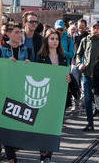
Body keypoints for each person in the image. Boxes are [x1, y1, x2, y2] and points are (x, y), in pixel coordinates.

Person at [0, 21, 32, 163]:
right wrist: (4, 63)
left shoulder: (27, 50)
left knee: (18, 123)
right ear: (8, 34)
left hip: (21, 91)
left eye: (20, 32)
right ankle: (11, 158)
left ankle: (12, 148)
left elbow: (36, 69)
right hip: (4, 91)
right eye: (16, 32)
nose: (19, 34)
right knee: (7, 124)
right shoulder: (0, 50)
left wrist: (30, 64)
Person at [36, 28, 71, 163]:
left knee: (53, 127)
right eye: (52, 38)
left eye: (57, 39)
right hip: (44, 95)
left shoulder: (62, 57)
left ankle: (48, 155)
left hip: (57, 97)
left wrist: (69, 78)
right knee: (42, 126)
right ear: (46, 40)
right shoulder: (40, 56)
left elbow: (65, 76)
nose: (55, 41)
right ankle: (42, 154)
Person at [75, 21, 99, 131]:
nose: (96, 29)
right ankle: (90, 123)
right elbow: (78, 55)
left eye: (98, 28)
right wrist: (79, 64)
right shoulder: (85, 40)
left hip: (98, 76)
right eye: (94, 27)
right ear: (90, 28)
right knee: (88, 100)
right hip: (87, 75)